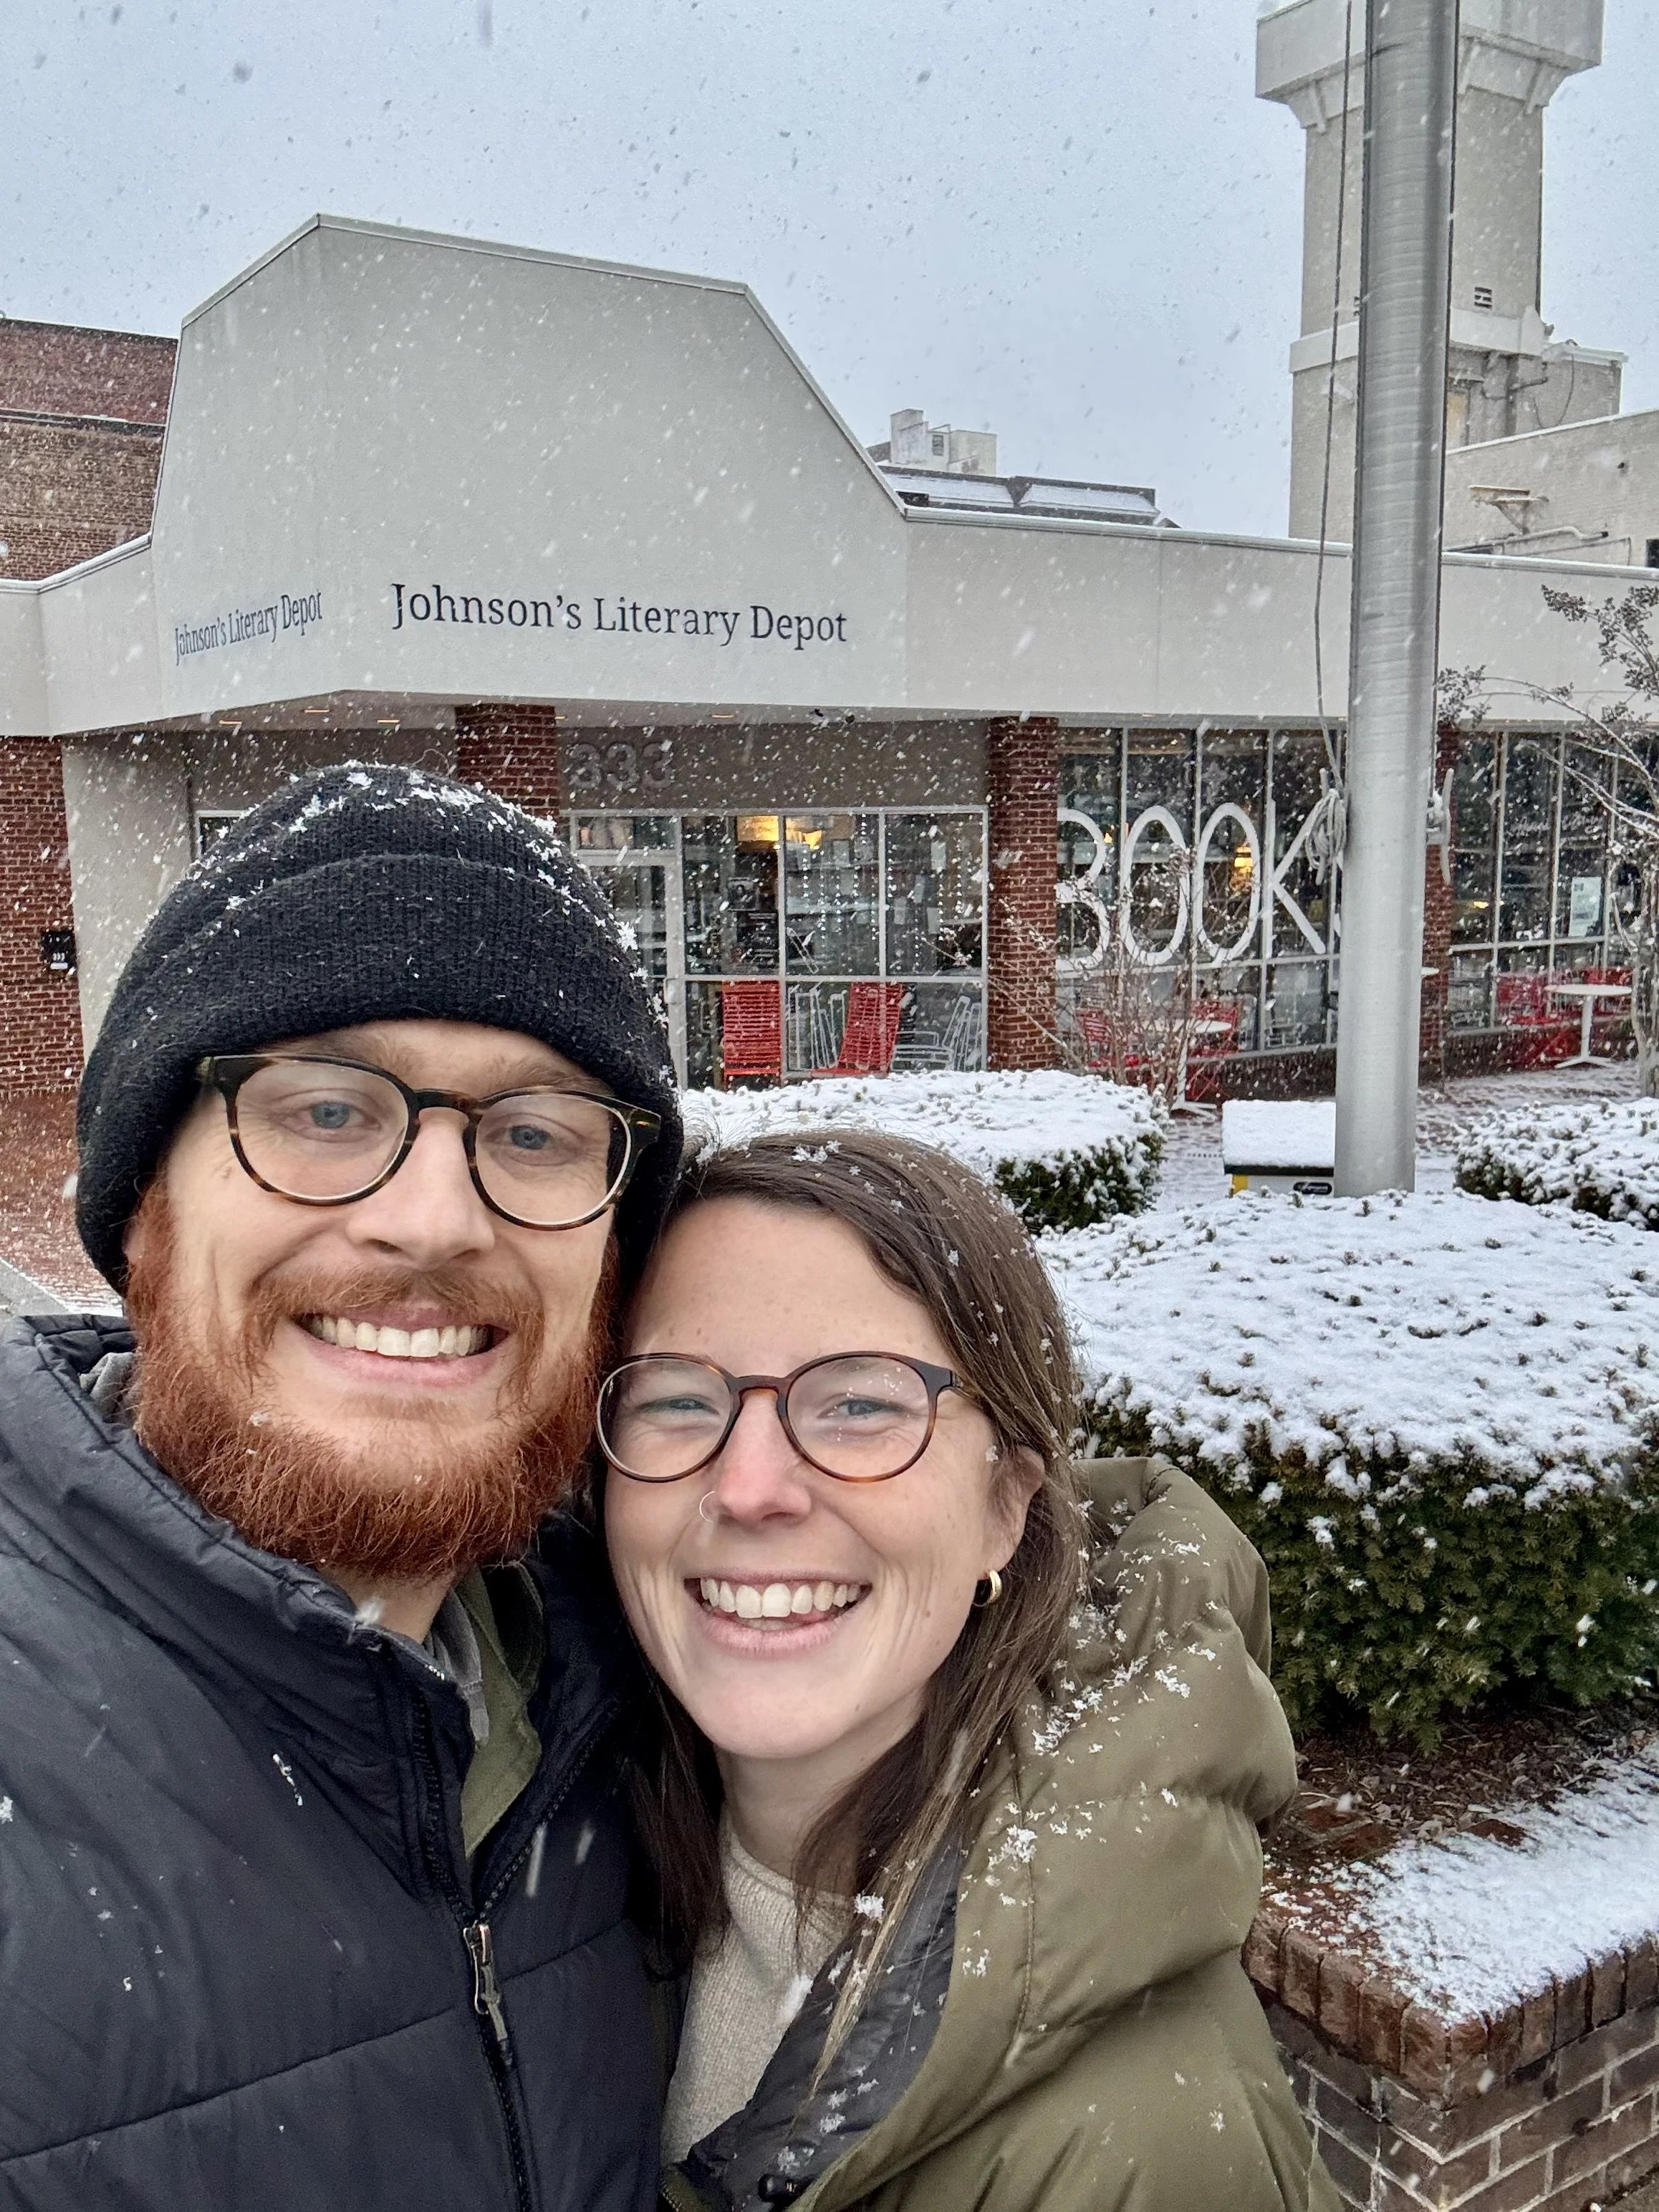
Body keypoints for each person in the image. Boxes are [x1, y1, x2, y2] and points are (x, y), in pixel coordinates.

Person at [0, 764, 681, 2212]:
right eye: (322, 1108)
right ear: (142, 1212)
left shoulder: (642, 1683)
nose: (433, 1217)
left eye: (539, 1132)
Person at [600, 1131, 1338, 2212]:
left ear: (1007, 1505)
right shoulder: (564, 1864)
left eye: (860, 1403)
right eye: (677, 1400)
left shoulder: (1141, 2153)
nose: (750, 1486)